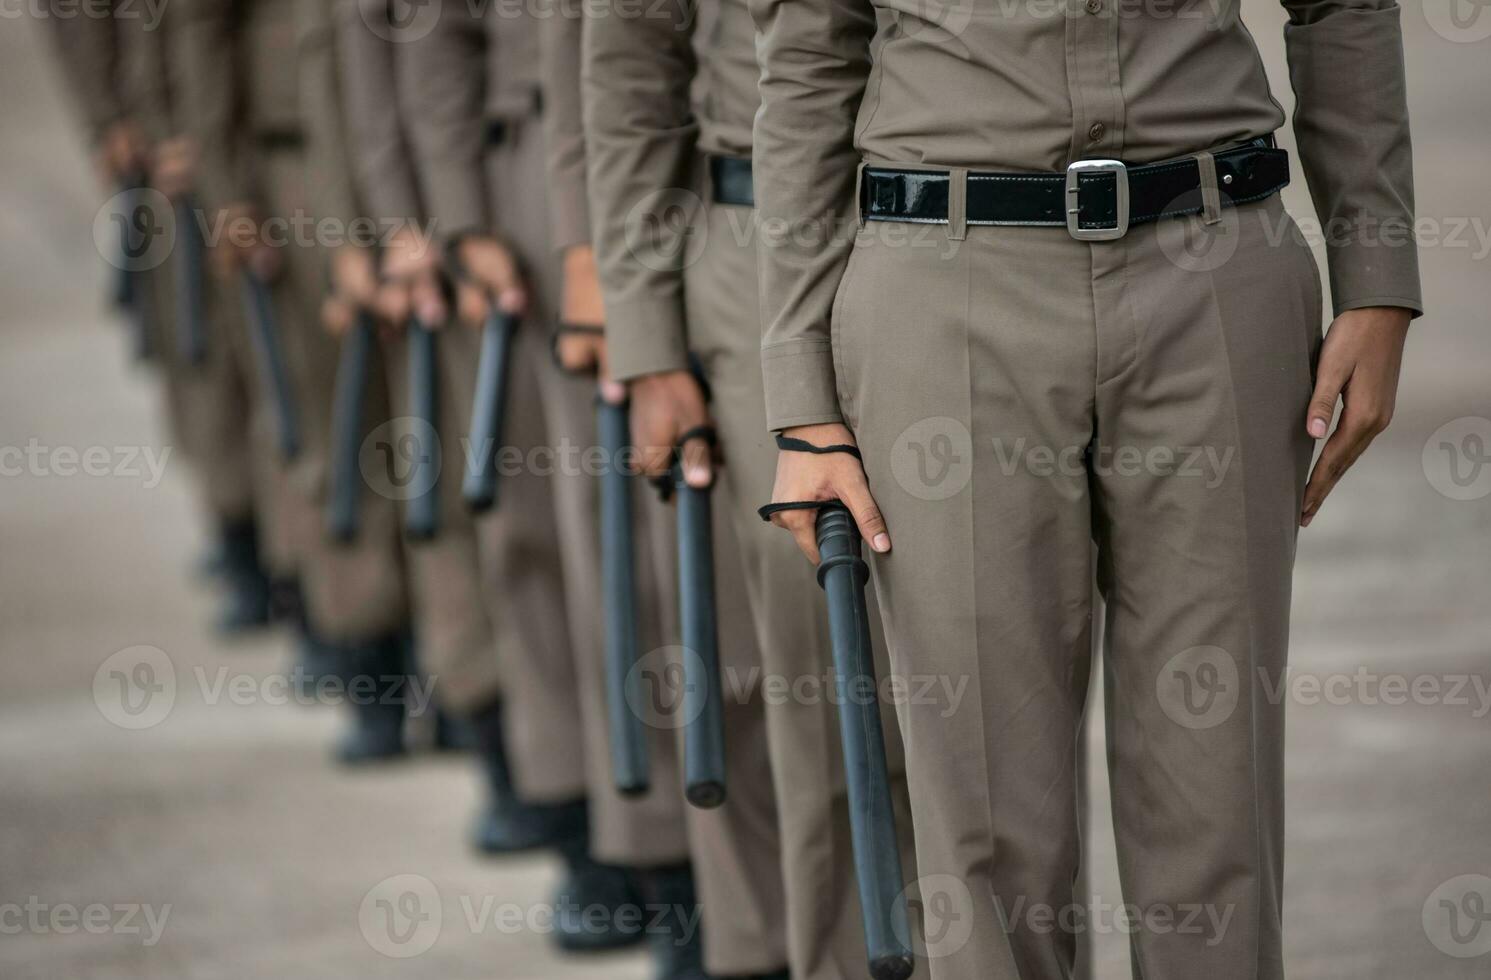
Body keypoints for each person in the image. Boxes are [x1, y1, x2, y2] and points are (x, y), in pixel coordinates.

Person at [749, 0, 1420, 977]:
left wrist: (1378, 273)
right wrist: (801, 390)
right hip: (947, 287)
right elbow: (809, 50)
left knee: (1215, 783)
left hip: (1212, 266)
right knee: (982, 803)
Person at [581, 1, 921, 978]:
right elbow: (629, 70)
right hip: (750, 231)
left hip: (964, 227)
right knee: (815, 681)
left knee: (982, 699)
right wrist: (645, 332)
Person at [173, 0, 416, 761]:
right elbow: (202, 33)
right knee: (336, 437)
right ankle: (367, 657)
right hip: (298, 174)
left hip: (422, 158)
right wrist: (230, 192)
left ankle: (462, 678)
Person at [44, 0, 272, 632]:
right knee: (199, 355)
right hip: (159, 129)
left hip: (234, 119)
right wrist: (110, 117)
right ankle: (241, 533)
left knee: (254, 354)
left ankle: (286, 554)